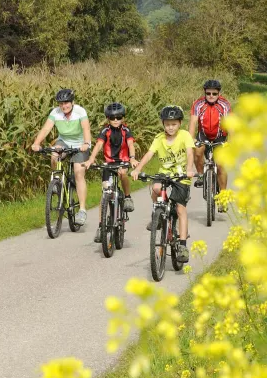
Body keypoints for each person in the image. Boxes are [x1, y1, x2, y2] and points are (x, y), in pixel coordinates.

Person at [131, 105, 195, 263]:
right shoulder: (159, 138)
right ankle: (158, 214)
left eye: (174, 124)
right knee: (156, 187)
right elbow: (149, 154)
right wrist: (138, 169)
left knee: (180, 209)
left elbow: (189, 153)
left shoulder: (185, 135)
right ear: (163, 124)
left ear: (180, 123)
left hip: (181, 175)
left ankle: (182, 245)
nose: (170, 127)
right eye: (167, 124)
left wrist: (189, 169)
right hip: (164, 173)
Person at [31, 88, 92, 225]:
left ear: (72, 102)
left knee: (78, 173)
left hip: (80, 144)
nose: (64, 106)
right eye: (61, 103)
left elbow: (86, 129)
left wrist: (86, 143)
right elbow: (46, 129)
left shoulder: (80, 111)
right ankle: (57, 180)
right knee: (54, 154)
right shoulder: (55, 113)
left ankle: (82, 210)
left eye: (66, 103)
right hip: (63, 141)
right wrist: (36, 143)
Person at [84, 102, 137, 243]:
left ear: (122, 118)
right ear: (108, 118)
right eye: (112, 118)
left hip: (123, 161)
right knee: (105, 192)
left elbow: (131, 145)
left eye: (118, 117)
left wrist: (132, 159)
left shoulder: (126, 130)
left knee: (122, 174)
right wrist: (91, 159)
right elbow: (99, 145)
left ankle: (127, 197)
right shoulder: (105, 131)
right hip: (109, 163)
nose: (115, 120)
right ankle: (101, 226)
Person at [190, 79, 231, 208]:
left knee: (220, 165)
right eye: (208, 93)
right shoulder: (198, 104)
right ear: (205, 93)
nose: (211, 96)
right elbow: (192, 123)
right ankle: (201, 175)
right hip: (204, 135)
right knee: (197, 151)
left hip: (220, 136)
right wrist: (191, 140)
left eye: (214, 93)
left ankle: (223, 197)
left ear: (219, 93)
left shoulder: (225, 104)